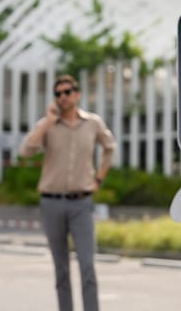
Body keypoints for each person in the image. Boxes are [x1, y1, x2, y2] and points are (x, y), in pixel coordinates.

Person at [19, 74, 116, 311]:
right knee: (61, 269)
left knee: (87, 266)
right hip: (51, 203)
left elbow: (109, 147)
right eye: (58, 93)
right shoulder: (48, 125)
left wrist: (99, 178)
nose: (63, 96)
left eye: (67, 91)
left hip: (81, 203)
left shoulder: (93, 123)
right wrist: (47, 123)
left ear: (77, 94)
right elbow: (26, 151)